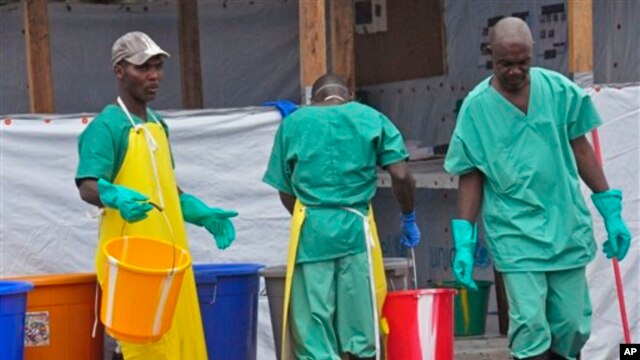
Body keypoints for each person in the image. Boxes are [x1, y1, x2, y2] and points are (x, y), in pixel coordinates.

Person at [444, 17, 632, 360]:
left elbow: (581, 149)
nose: (515, 71)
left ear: (531, 54)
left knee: (574, 324)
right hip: (514, 229)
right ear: (491, 55)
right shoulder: (476, 108)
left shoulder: (558, 91)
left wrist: (610, 208)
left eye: (522, 63)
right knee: (530, 322)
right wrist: (464, 243)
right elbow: (470, 174)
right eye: (505, 64)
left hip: (564, 224)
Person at [75, 31, 238, 360]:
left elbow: (166, 186)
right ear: (120, 71)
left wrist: (198, 211)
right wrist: (114, 195)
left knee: (181, 343)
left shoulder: (158, 125)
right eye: (143, 67)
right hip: (131, 266)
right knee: (143, 348)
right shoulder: (107, 127)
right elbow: (87, 184)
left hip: (171, 262)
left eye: (158, 66)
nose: (154, 75)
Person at [263, 74, 420, 360]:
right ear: (350, 95)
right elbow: (400, 174)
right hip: (355, 231)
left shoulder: (294, 123)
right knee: (359, 326)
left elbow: (284, 189)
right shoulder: (370, 118)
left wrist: (312, 217)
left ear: (313, 100)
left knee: (314, 328)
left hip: (312, 232)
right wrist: (408, 216)